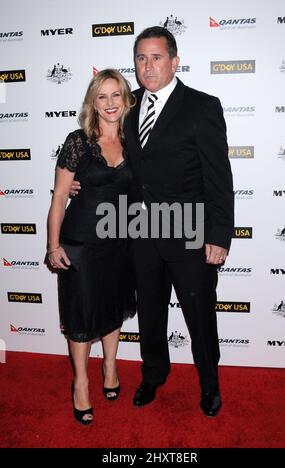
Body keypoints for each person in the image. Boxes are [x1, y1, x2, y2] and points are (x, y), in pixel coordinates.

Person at [72, 26, 234, 417]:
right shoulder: (127, 109)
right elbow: (110, 156)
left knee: (199, 314)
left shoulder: (202, 106)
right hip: (140, 232)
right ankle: (153, 375)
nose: (148, 66)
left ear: (175, 61)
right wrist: (84, 182)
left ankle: (209, 385)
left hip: (189, 230)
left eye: (157, 57)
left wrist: (219, 235)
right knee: (151, 312)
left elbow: (219, 177)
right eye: (141, 58)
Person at [47, 69, 136, 425]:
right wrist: (53, 246)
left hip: (120, 242)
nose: (110, 103)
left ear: (127, 99)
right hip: (80, 241)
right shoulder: (78, 141)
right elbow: (57, 199)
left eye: (116, 95)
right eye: (103, 96)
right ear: (93, 102)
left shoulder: (135, 141)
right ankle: (81, 383)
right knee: (82, 316)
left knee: (113, 307)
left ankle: (110, 368)